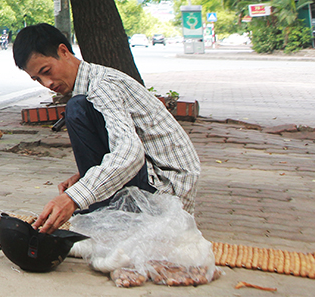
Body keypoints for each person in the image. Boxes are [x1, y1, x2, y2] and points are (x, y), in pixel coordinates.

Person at [12, 23, 200, 234]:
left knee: (77, 109)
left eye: (46, 71)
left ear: (63, 51)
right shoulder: (91, 84)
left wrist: (74, 197)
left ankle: (107, 213)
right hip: (156, 178)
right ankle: (103, 208)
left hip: (166, 192)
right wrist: (87, 177)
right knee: (79, 108)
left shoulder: (102, 87)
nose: (46, 83)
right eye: (37, 79)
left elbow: (131, 153)